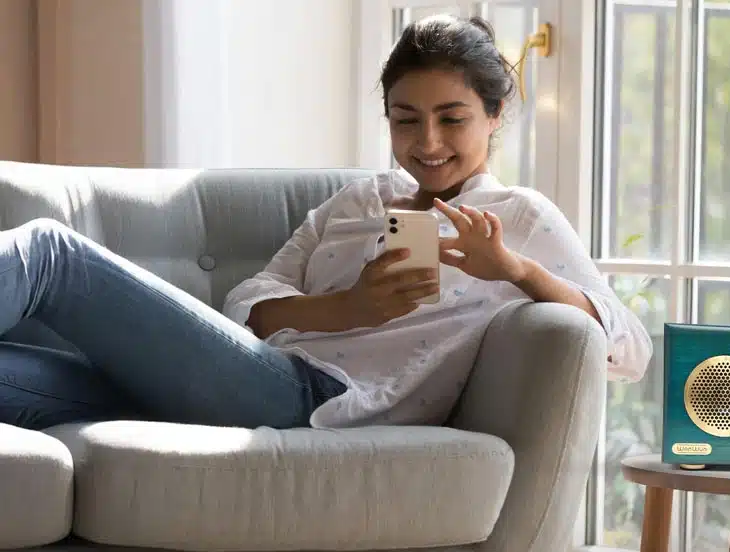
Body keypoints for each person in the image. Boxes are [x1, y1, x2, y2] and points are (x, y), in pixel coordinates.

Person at [0, 15, 652, 431]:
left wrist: (514, 269)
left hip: (313, 399)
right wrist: (347, 305)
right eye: (405, 119)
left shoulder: (517, 216)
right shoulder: (358, 202)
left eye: (452, 118)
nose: (427, 142)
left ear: (496, 114)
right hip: (248, 372)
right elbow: (245, 302)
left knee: (51, 254)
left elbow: (631, 349)